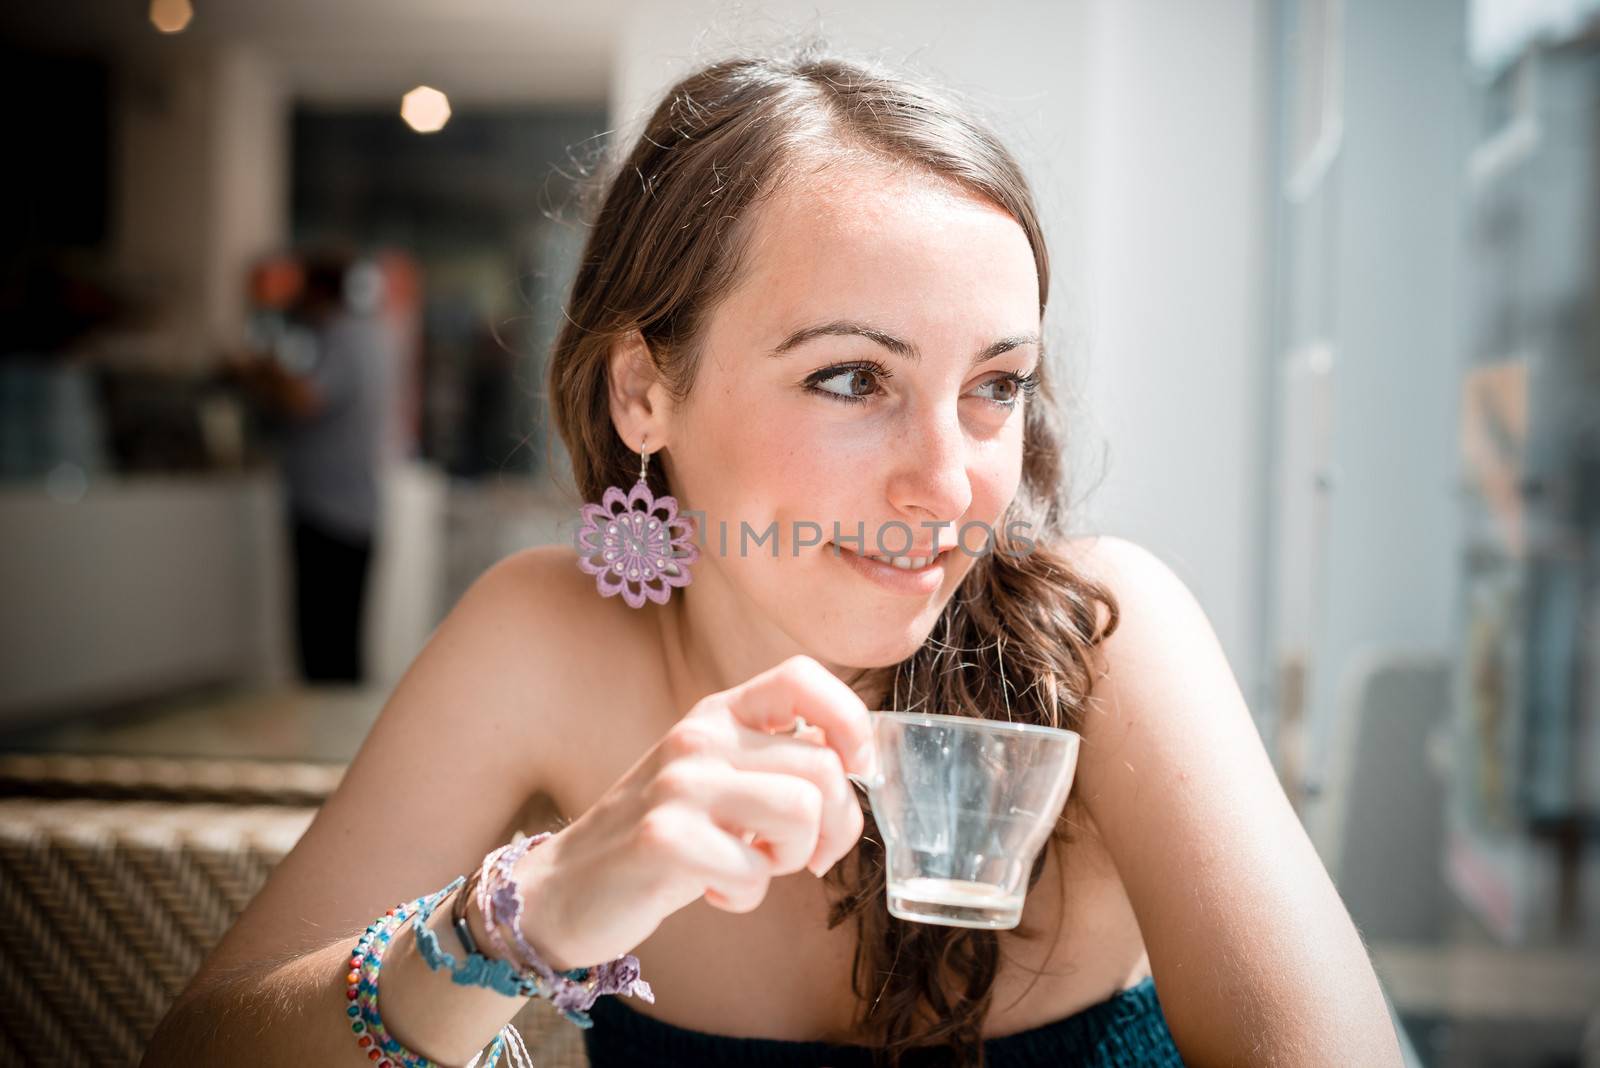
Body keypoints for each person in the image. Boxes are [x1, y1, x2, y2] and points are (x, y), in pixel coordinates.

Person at [144, 44, 1404, 1067]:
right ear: (645, 391)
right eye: (851, 378)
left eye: (995, 384)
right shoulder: (549, 635)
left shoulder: (1105, 642)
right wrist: (526, 914)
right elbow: (200, 1051)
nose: (951, 478)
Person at [232, 249, 395, 683]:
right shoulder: (371, 336)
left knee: (325, 646)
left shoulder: (342, 337)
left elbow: (305, 399)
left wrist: (259, 371)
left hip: (330, 512)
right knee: (340, 642)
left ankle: (327, 743)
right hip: (355, 508)